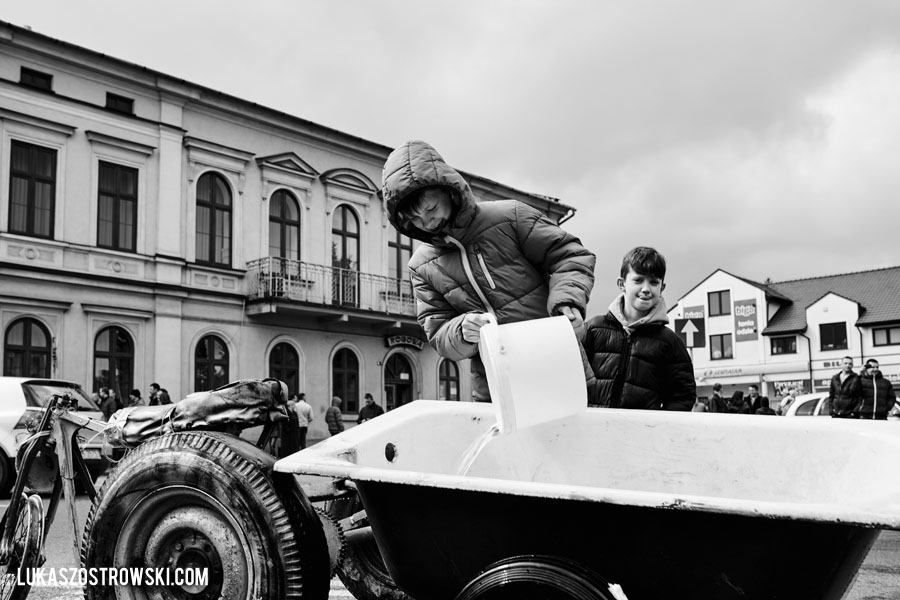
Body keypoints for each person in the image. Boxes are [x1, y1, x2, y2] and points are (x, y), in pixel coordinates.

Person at [382, 140, 596, 402]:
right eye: (414, 219)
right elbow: (437, 331)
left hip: (557, 364)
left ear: (448, 189)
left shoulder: (510, 216)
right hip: (495, 388)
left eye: (431, 209)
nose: (426, 222)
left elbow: (570, 255)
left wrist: (567, 301)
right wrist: (461, 331)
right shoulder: (420, 265)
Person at [582, 247, 694, 410]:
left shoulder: (670, 342)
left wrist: (656, 423)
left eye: (654, 282)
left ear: (662, 288)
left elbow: (683, 395)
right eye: (638, 280)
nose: (646, 289)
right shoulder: (593, 329)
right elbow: (571, 380)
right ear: (622, 284)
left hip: (641, 427)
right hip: (593, 425)